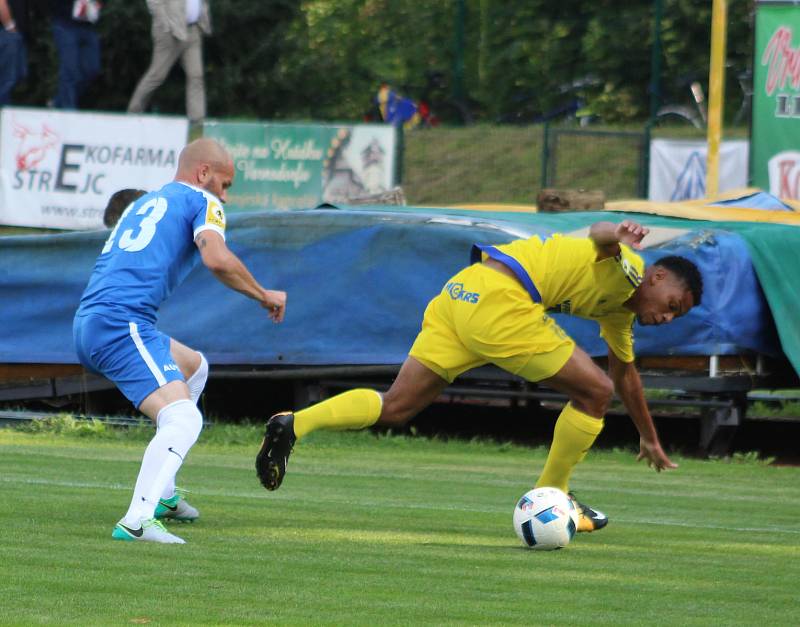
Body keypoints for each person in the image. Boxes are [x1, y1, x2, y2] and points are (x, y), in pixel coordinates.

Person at [256, 220, 703, 532]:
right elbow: (600, 237)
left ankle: (293, 424)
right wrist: (619, 233)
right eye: (671, 304)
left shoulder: (619, 318)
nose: (667, 317)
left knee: (396, 407)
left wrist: (649, 437)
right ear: (657, 276)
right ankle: (553, 494)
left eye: (675, 316)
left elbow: (627, 376)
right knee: (593, 392)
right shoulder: (628, 269)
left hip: (461, 293)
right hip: (501, 301)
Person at [74, 138, 287, 544]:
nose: (225, 195)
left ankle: (164, 496)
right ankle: (137, 522)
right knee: (184, 417)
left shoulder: (144, 202)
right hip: (122, 324)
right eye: (224, 184)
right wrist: (264, 295)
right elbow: (216, 258)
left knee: (194, 367)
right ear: (203, 173)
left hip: (94, 320)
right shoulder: (203, 201)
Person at [127, 0, 211, 123]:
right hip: (170, 32)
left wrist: (203, 18)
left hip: (193, 30)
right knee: (157, 75)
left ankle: (197, 121)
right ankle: (133, 113)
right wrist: (165, 24)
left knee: (196, 75)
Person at [48, 0, 101, 109]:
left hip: (87, 25)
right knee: (70, 70)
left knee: (92, 69)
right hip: (65, 23)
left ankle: (58, 102)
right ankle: (68, 110)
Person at [0, 0, 30, 106]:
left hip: (12, 32)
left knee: (15, 75)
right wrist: (10, 27)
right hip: (6, 33)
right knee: (7, 79)